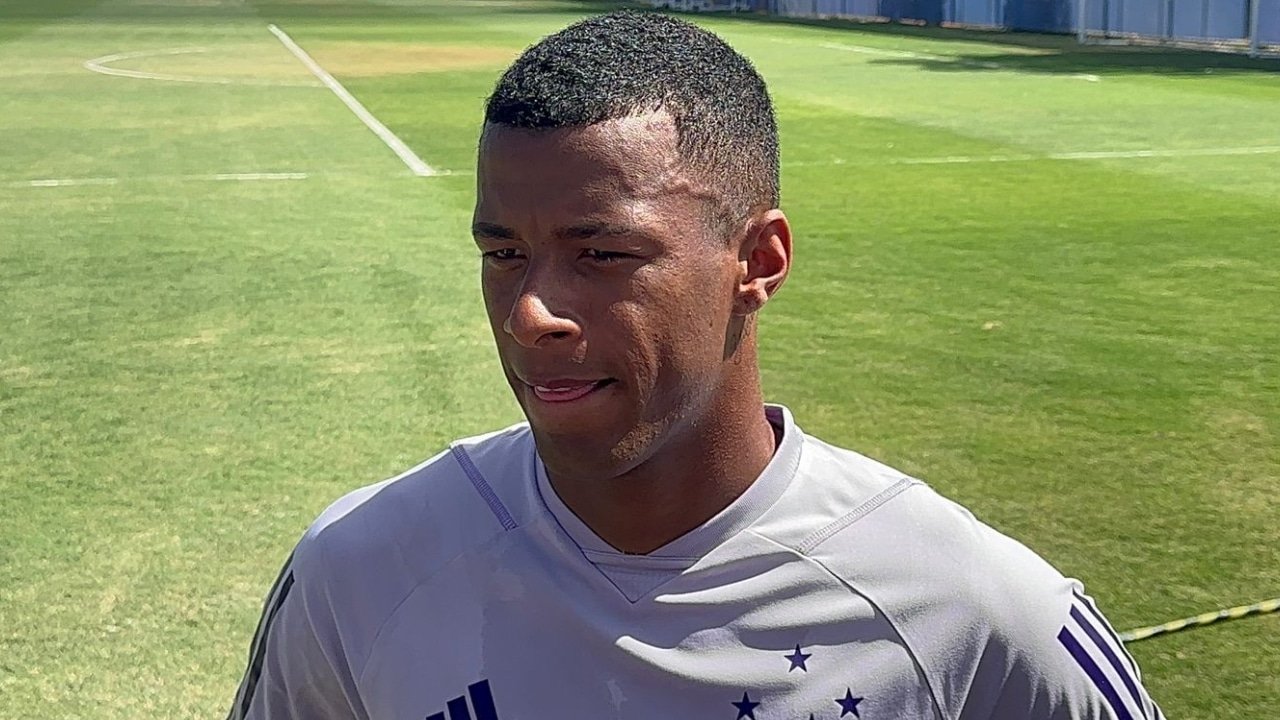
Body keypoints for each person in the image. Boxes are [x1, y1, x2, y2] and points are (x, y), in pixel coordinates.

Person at [227, 11, 1163, 720]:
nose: (530, 314)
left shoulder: (977, 612)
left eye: (603, 255)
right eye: (503, 253)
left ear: (757, 262)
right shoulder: (359, 568)